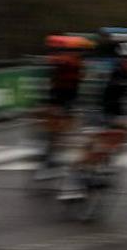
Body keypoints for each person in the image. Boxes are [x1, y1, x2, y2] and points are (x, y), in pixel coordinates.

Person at [62, 34, 127, 198]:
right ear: (125, 60)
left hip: (117, 114)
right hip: (97, 109)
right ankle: (72, 183)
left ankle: (103, 166)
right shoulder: (112, 73)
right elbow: (98, 99)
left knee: (114, 142)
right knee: (94, 147)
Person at [35, 33, 92, 175]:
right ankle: (48, 154)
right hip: (58, 98)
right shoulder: (65, 62)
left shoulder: (76, 64)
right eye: (79, 52)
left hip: (67, 99)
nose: (81, 55)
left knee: (61, 130)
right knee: (56, 129)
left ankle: (50, 152)